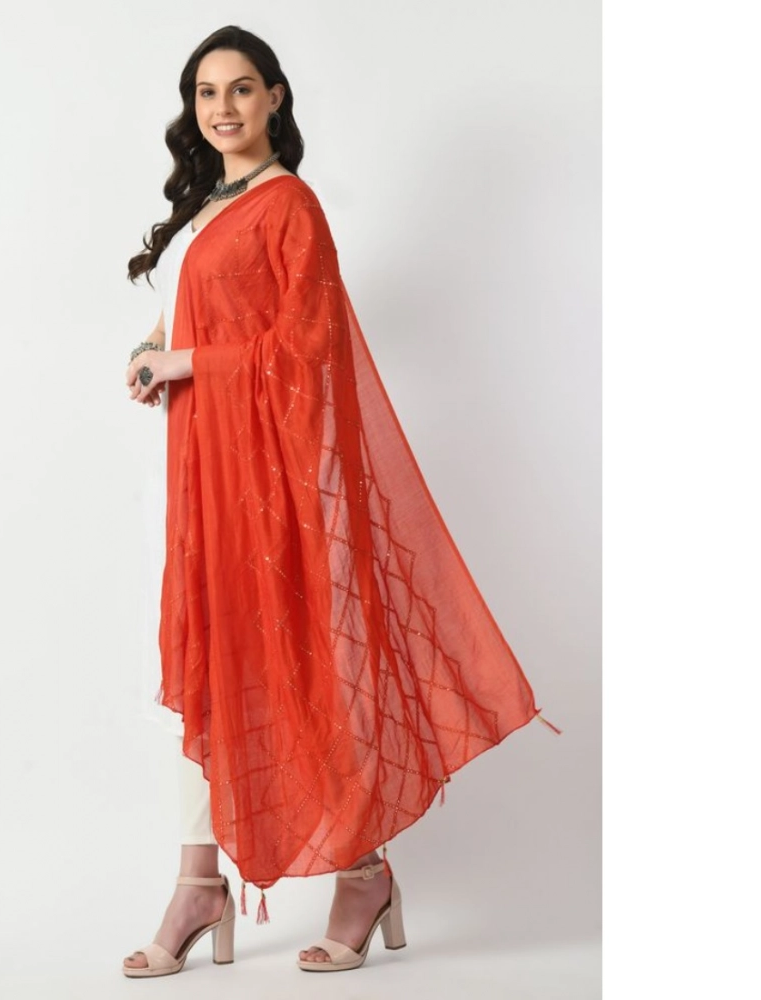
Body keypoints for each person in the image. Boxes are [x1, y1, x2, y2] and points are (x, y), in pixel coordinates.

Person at [121, 25, 557, 978]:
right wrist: (151, 352)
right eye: (206, 93)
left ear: (275, 98)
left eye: (242, 89)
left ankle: (363, 872)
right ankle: (199, 882)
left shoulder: (289, 205)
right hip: (196, 474)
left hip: (267, 481)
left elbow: (307, 346)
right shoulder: (207, 206)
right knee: (206, 664)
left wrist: (188, 363)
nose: (223, 108)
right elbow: (191, 313)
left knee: (297, 669)